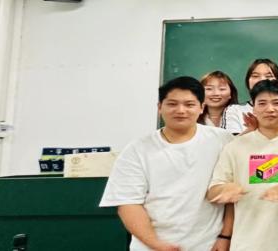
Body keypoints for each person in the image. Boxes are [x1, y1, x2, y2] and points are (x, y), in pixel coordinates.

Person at [100, 76, 234, 251]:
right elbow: (128, 204)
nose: (181, 110)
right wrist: (156, 244)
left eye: (189, 104)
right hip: (152, 247)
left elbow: (232, 197)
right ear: (159, 107)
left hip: (210, 245)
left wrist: (225, 236)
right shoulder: (137, 149)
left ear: (201, 107)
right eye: (172, 104)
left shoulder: (223, 140)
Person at [207, 79, 278, 251]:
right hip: (246, 243)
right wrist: (225, 190)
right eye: (262, 103)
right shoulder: (235, 146)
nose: (269, 109)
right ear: (253, 108)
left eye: (277, 103)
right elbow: (213, 190)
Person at [225, 58, 278, 134]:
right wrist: (251, 129)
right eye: (255, 76)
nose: (262, 80)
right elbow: (233, 142)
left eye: (269, 76)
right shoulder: (235, 110)